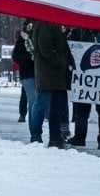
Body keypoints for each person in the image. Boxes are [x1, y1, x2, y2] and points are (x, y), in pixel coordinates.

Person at [30, 19, 71, 149]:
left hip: (56, 74)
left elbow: (61, 47)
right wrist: (59, 62)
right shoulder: (45, 23)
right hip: (48, 73)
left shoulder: (55, 24)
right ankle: (36, 137)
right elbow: (45, 47)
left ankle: (55, 137)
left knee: (56, 108)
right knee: (42, 104)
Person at [12, 20, 36, 127]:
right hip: (27, 73)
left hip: (39, 73)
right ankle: (33, 126)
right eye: (28, 25)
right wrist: (29, 59)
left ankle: (34, 124)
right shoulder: (22, 39)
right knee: (32, 99)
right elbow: (16, 56)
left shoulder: (38, 37)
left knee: (35, 99)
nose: (30, 27)